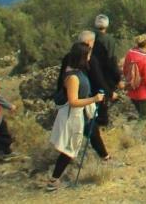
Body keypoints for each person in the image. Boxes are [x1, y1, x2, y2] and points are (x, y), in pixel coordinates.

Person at [46, 42, 108, 191]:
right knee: (69, 149)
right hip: (74, 116)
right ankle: (53, 181)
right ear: (82, 56)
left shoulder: (75, 70)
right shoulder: (73, 77)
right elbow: (73, 101)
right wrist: (94, 99)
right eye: (87, 54)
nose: (89, 57)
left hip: (82, 114)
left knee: (92, 133)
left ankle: (105, 156)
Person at [91, 15, 122, 127]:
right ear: (107, 25)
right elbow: (112, 61)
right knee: (103, 104)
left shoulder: (89, 37)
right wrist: (117, 79)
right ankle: (101, 126)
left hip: (89, 76)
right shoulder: (109, 40)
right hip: (104, 76)